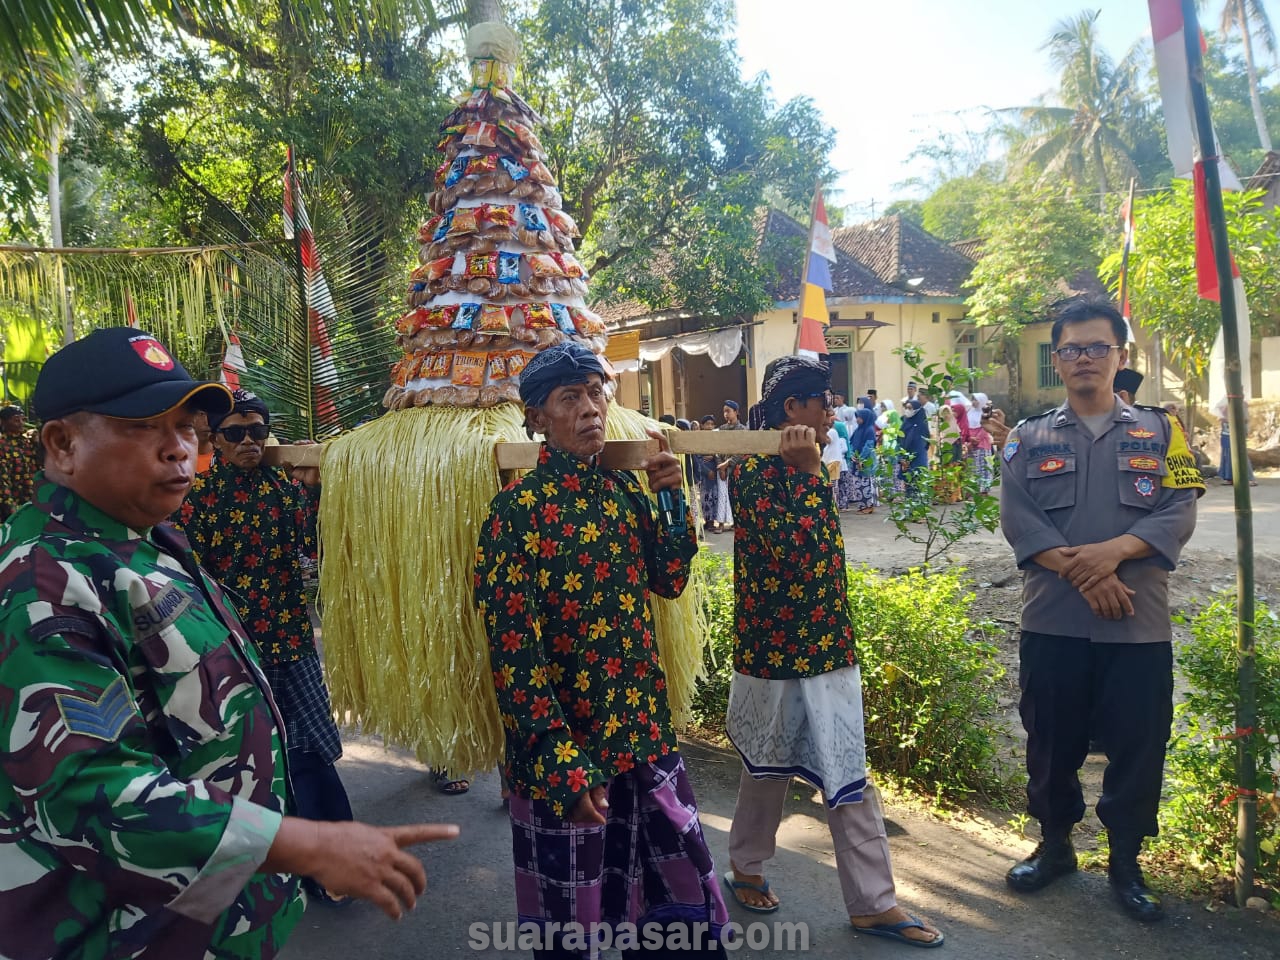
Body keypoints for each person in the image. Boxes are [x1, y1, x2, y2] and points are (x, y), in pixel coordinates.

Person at [0, 327, 458, 959]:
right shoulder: (44, 580)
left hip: (204, 919)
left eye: (189, 428)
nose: (179, 450)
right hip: (124, 935)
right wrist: (304, 843)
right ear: (63, 443)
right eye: (143, 427)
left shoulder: (143, 541)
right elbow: (87, 788)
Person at [473, 342, 728, 958]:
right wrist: (561, 760)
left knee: (675, 905)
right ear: (535, 418)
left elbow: (669, 578)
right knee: (571, 926)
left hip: (642, 735)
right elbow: (515, 657)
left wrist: (672, 496)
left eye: (596, 393)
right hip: (569, 754)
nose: (590, 409)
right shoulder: (516, 515)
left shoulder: (622, 496)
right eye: (570, 398)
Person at [724, 356, 944, 949]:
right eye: (822, 400)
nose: (831, 411)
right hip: (774, 653)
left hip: (825, 649)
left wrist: (809, 473)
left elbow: (822, 558)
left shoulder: (800, 469)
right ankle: (745, 865)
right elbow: (803, 556)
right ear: (792, 409)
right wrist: (807, 473)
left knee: (848, 774)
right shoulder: (750, 475)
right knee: (765, 767)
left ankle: (873, 902)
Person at [999, 300, 1201, 923]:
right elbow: (1019, 519)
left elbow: (1180, 510)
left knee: (1138, 745)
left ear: (1121, 356)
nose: (1084, 358)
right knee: (1050, 743)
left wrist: (1111, 553)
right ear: (1057, 358)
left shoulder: (1164, 431)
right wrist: (1087, 576)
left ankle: (1125, 861)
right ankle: (1055, 846)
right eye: (1071, 349)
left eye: (1097, 348)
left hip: (1137, 626)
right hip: (1053, 622)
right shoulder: (1025, 438)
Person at [174, 388, 359, 896]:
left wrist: (317, 485)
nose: (250, 441)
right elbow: (190, 581)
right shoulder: (199, 501)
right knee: (251, 760)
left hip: (292, 643)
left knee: (310, 752)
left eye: (258, 430)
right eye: (236, 433)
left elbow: (315, 544)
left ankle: (333, 869)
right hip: (235, 653)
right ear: (218, 439)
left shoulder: (285, 490)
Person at [0, 403, 40, 520]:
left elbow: (41, 465)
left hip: (33, 499)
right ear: (3, 422)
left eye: (23, 420)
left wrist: (38, 443)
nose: (21, 423)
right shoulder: (2, 445)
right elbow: (2, 482)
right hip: (13, 503)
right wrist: (13, 511)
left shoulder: (27, 441)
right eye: (16, 420)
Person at [698, 414, 731, 533]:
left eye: (712, 424)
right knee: (705, 497)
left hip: (715, 470)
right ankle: (708, 521)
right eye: (707, 424)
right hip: (704, 473)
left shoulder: (716, 438)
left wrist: (713, 456)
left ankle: (714, 520)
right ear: (702, 425)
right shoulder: (698, 439)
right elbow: (697, 458)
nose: (710, 426)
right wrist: (707, 471)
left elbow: (719, 454)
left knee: (715, 497)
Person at [1214, 396, 1257, 486]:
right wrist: (1224, 417)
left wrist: (1231, 419)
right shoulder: (1225, 401)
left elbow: (1245, 419)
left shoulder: (1242, 403)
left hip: (1237, 432)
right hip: (1226, 433)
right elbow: (1219, 414)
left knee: (1240, 454)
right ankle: (1230, 477)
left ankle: (1249, 478)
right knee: (1227, 454)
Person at [849, 406, 880, 514]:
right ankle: (862, 505)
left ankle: (868, 506)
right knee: (859, 484)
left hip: (866, 462)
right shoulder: (858, 430)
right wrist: (852, 455)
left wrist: (860, 458)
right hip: (857, 460)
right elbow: (852, 443)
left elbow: (869, 446)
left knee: (865, 484)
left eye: (860, 417)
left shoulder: (869, 430)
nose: (857, 419)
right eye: (857, 417)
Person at [899, 398, 931, 498]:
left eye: (910, 408)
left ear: (917, 410)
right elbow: (899, 441)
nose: (907, 410)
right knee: (908, 486)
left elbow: (921, 444)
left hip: (917, 460)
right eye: (907, 408)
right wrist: (901, 458)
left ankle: (919, 511)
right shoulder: (906, 423)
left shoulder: (921, 425)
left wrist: (909, 458)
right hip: (905, 460)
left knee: (917, 485)